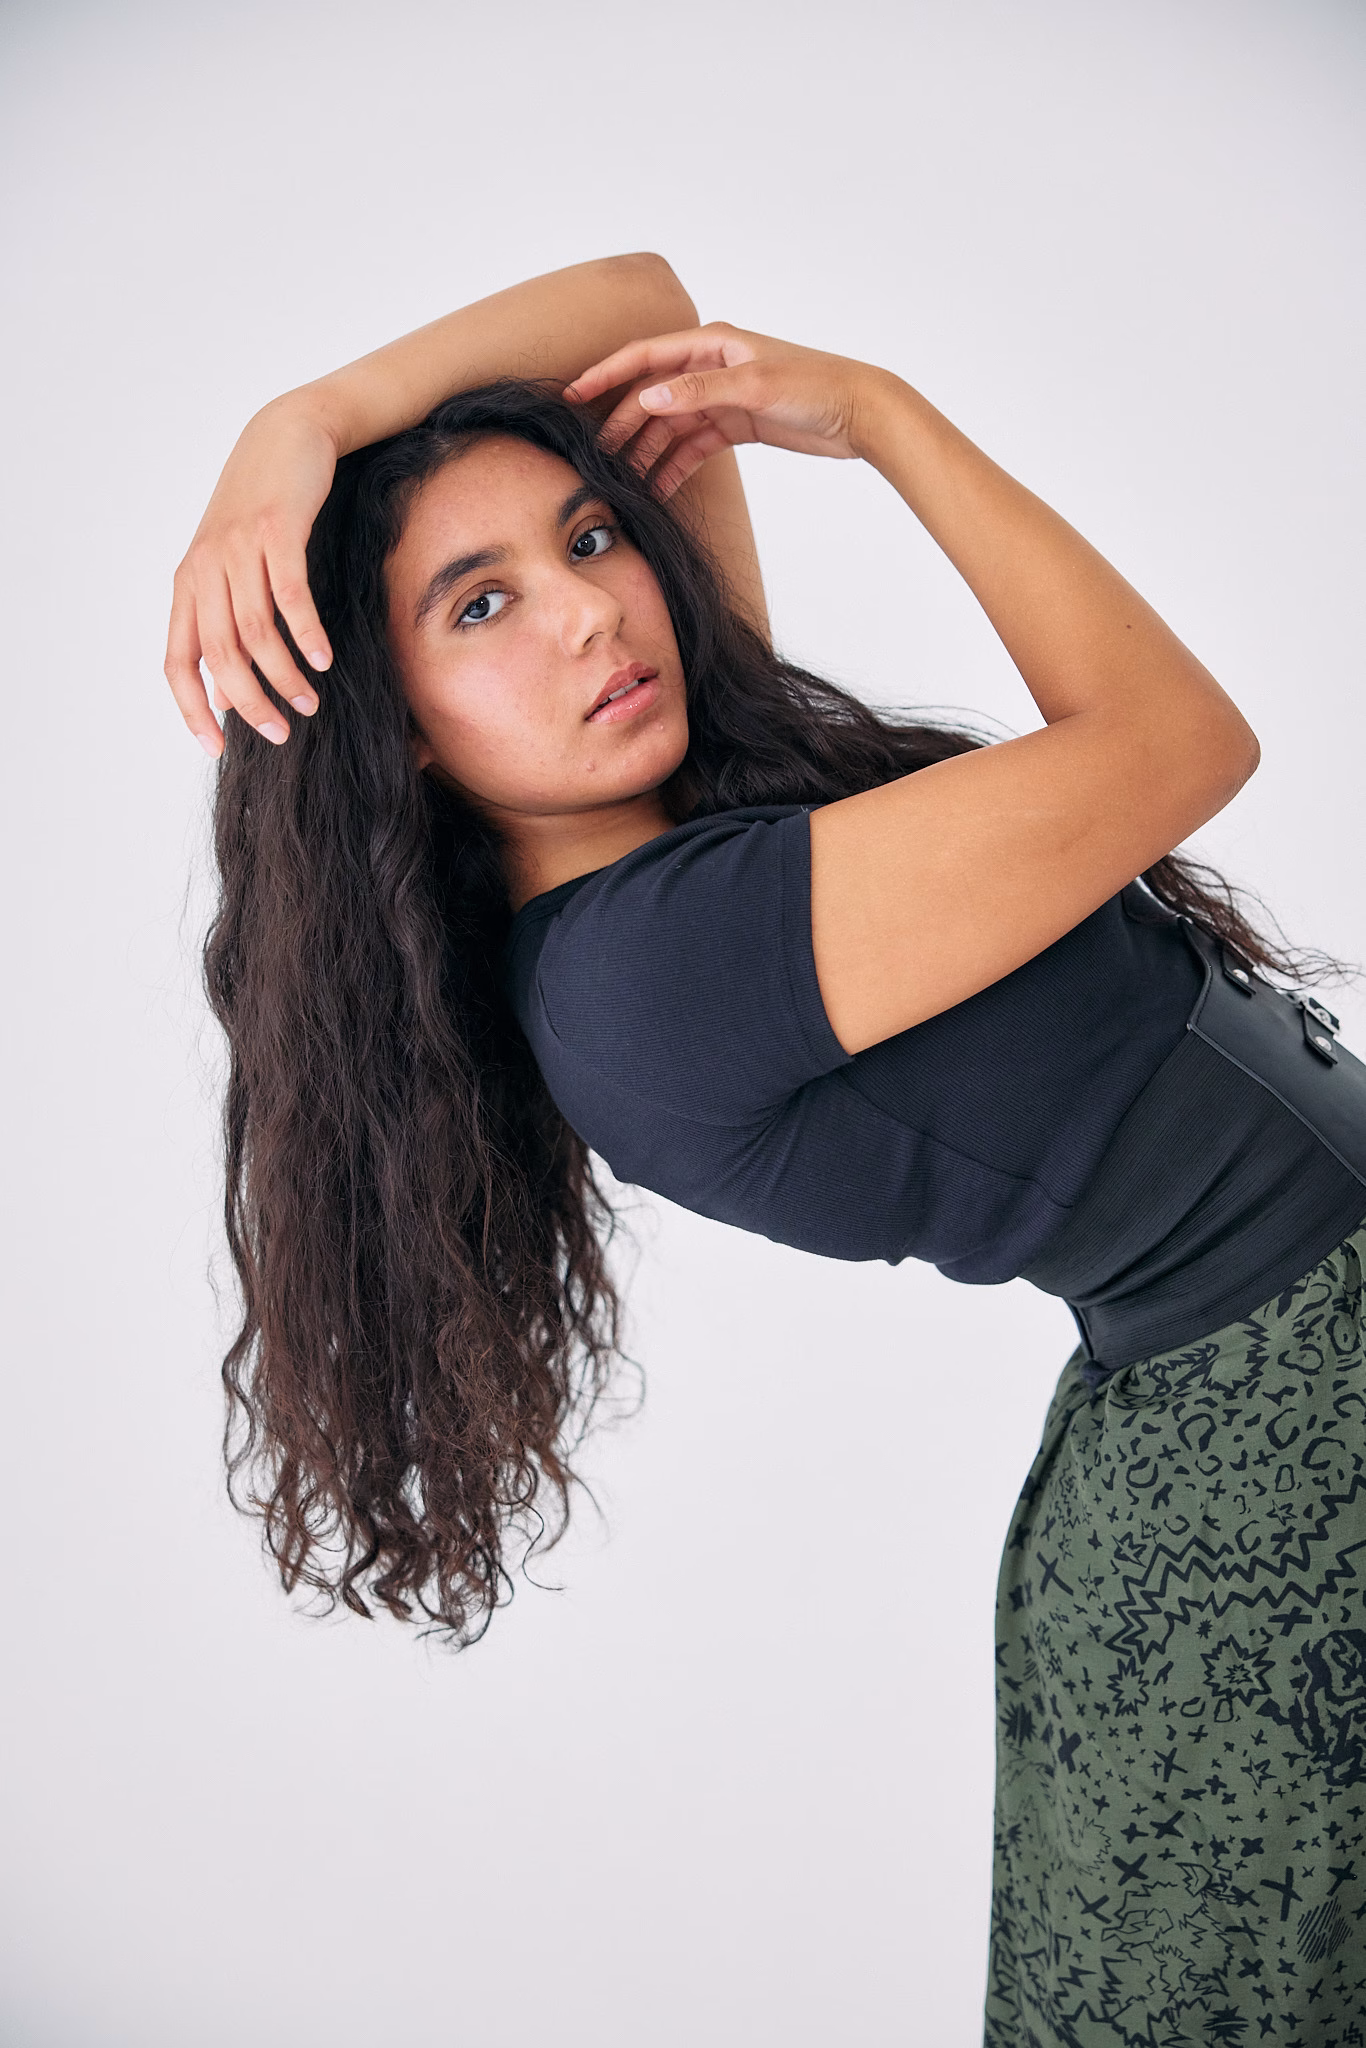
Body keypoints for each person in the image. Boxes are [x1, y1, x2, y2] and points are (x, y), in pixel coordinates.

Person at [165, 253, 1366, 2041]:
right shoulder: (660, 966)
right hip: (1280, 1448)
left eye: (589, 538)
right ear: (396, 735)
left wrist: (303, 423)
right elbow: (1181, 742)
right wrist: (879, 416)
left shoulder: (684, 847)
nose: (590, 612)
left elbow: (642, 316)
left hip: (1266, 1408)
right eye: (480, 606)